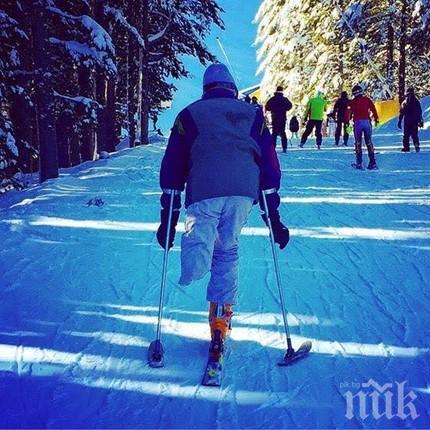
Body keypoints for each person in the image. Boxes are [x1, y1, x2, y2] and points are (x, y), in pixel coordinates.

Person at [157, 63, 289, 359]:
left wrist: (168, 217)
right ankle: (220, 319)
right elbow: (268, 164)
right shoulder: (254, 114)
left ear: (206, 89)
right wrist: (274, 219)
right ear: (232, 88)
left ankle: (195, 264)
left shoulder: (188, 115)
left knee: (202, 241)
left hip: (204, 189)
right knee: (227, 251)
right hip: (244, 191)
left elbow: (173, 166)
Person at [349, 84, 378, 169]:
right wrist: (376, 119)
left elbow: (350, 112)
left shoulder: (353, 101)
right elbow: (373, 109)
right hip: (367, 122)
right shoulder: (367, 99)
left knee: (358, 142)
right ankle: (373, 162)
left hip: (358, 122)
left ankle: (359, 163)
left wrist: (348, 122)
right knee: (368, 142)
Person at [265, 86, 293, 153]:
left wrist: (272, 109)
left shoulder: (272, 99)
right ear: (282, 91)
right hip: (282, 117)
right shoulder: (284, 99)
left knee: (274, 133)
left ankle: (273, 147)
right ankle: (284, 147)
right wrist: (285, 109)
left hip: (274, 117)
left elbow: (267, 107)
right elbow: (290, 106)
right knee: (283, 133)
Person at [398, 87, 424, 153]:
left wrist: (400, 121)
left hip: (407, 121)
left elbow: (401, 112)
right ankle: (416, 145)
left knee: (406, 135)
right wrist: (420, 120)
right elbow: (419, 112)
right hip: (414, 121)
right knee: (414, 135)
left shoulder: (405, 102)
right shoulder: (416, 101)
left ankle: (406, 148)